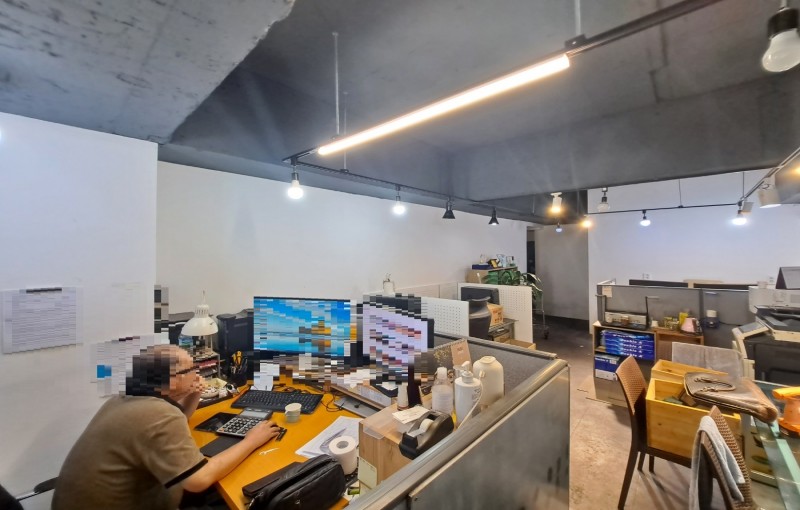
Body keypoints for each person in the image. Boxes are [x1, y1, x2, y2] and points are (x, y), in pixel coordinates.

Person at [52, 344, 281, 510]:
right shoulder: (157, 413)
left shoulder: (128, 398)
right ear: (172, 380)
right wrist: (251, 441)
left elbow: (176, 419)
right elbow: (199, 480)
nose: (198, 373)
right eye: (191, 369)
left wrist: (193, 394)